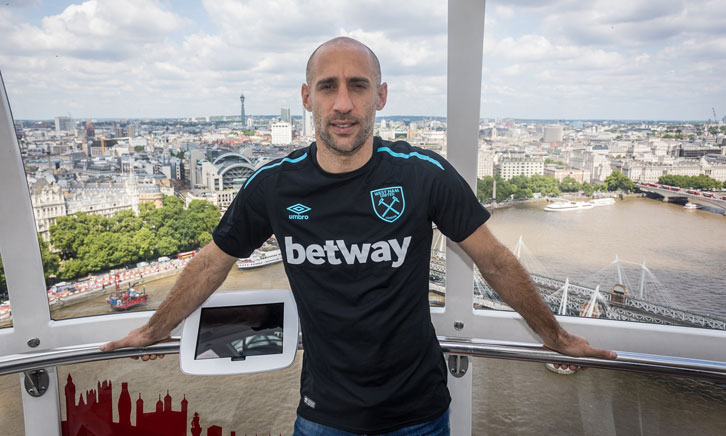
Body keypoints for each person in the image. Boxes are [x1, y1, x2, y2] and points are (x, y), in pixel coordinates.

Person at [102, 37, 616, 435]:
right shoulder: (273, 186)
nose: (343, 103)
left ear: (382, 96)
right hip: (326, 410)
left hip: (419, 408)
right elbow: (213, 262)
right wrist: (153, 328)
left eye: (358, 86)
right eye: (327, 87)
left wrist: (555, 335)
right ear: (307, 98)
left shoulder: (423, 174)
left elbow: (496, 261)